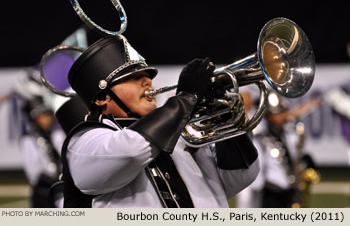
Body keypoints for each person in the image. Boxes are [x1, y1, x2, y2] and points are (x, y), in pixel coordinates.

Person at [61, 35, 260, 208]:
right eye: (134, 77)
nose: (147, 81)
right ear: (102, 98)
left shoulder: (180, 135)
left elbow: (240, 178)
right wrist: (186, 98)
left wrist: (223, 116)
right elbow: (130, 151)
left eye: (147, 75)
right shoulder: (84, 141)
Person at [238, 90, 321, 208]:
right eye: (278, 113)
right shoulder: (260, 134)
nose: (283, 116)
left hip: (288, 190)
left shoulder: (286, 133)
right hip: (270, 191)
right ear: (269, 115)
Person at [11, 68, 65, 207]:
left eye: (48, 115)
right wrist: (57, 180)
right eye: (43, 116)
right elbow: (34, 174)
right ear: (34, 118)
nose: (47, 119)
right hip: (43, 193)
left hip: (61, 191)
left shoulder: (57, 134)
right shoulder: (29, 140)